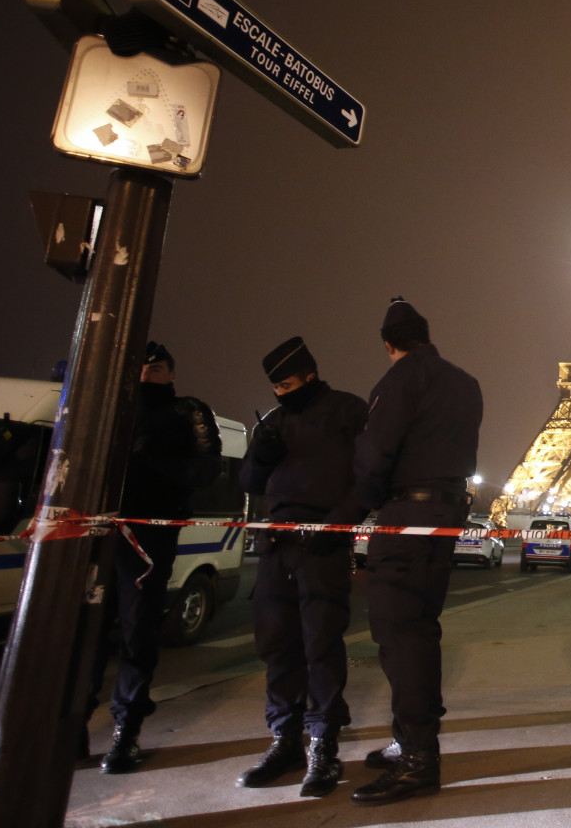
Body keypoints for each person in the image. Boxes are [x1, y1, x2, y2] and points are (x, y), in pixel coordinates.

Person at [349, 298, 482, 806]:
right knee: (421, 629)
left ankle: (418, 758)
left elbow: (374, 451)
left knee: (397, 634)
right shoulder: (465, 383)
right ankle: (411, 739)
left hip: (408, 516)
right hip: (447, 516)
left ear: (390, 344)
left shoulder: (399, 381)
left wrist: (363, 503)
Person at [236, 337, 368, 796]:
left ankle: (323, 744)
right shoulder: (273, 421)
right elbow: (248, 481)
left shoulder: (350, 412)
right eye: (274, 388)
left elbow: (368, 477)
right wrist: (262, 454)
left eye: (288, 384)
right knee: (277, 645)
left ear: (310, 375)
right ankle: (284, 738)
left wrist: (338, 525)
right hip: (277, 544)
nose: (280, 394)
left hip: (324, 545)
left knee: (321, 646)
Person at [93, 340, 221, 773]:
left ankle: (125, 732)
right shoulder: (111, 407)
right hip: (100, 531)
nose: (149, 374)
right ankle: (70, 727)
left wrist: (155, 457)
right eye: (143, 368)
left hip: (150, 535)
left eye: (158, 368)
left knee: (137, 632)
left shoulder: (187, 411)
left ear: (172, 373)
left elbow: (207, 471)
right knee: (84, 636)